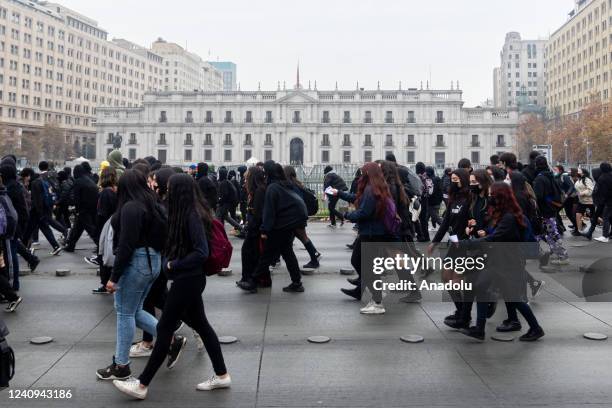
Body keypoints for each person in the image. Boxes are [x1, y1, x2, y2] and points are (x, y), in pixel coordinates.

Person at [113, 174, 231, 399]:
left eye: (168, 189)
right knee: (202, 326)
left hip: (188, 279)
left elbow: (201, 252)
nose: (165, 192)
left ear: (179, 192)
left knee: (165, 329)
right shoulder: (190, 212)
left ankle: (141, 384)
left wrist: (173, 264)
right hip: (189, 279)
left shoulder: (191, 215)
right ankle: (222, 374)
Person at [96, 170, 184, 381]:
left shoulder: (130, 207)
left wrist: (113, 277)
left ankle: (121, 364)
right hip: (152, 261)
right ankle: (171, 339)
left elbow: (126, 244)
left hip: (136, 262)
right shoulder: (153, 204)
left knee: (125, 313)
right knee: (133, 310)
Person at [459, 182, 545, 342]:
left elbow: (494, 237)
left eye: (493, 194)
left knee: (514, 298)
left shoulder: (509, 217)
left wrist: (467, 243)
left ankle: (535, 328)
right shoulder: (505, 214)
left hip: (508, 263)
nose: (490, 197)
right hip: (498, 260)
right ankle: (479, 328)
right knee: (481, 287)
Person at [335, 162, 396, 314]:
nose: (360, 175)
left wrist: (347, 215)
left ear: (368, 174)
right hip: (373, 233)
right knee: (364, 265)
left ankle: (378, 302)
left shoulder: (371, 190)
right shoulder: (377, 187)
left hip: (371, 233)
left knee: (362, 264)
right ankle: (377, 294)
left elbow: (364, 212)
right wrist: (341, 194)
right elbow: (358, 200)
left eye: (362, 173)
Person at [252, 161, 307, 293]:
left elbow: (269, 211)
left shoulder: (272, 188)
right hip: (289, 225)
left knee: (266, 256)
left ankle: (252, 281)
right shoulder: (286, 184)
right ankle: (297, 282)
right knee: (288, 254)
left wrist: (265, 229)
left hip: (280, 227)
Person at [428, 169, 471, 328]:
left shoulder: (470, 198)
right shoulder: (454, 198)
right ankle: (461, 311)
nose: (454, 182)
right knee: (446, 278)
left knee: (456, 282)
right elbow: (446, 222)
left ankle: (465, 317)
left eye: (457, 179)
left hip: (466, 245)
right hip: (453, 243)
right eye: (452, 180)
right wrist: (435, 242)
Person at [510, 172, 545, 296]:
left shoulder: (518, 197)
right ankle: (532, 285)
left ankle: (524, 295)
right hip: (527, 234)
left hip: (521, 235)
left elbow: (520, 217)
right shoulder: (526, 194)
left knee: (517, 266)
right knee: (517, 266)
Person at [23, 161, 67, 255]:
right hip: (43, 209)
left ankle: (23, 248)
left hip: (37, 211)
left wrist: (39, 211)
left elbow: (37, 199)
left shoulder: (35, 183)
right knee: (44, 228)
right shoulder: (42, 180)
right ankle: (55, 246)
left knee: (29, 229)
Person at [533, 156, 569, 265]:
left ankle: (563, 256)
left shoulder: (540, 178)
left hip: (544, 211)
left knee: (551, 234)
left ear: (536, 165)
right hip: (551, 208)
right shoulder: (549, 175)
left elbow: (538, 195)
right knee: (544, 233)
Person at [237, 166, 268, 293]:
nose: (245, 178)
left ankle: (250, 279)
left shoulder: (260, 191)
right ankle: (252, 278)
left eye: (247, 176)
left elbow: (258, 213)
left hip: (255, 229)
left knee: (249, 252)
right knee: (254, 254)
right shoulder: (257, 190)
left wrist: (250, 226)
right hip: (254, 227)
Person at [284, 165, 322, 269]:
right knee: (294, 239)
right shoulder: (297, 184)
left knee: (303, 238)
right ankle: (314, 256)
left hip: (296, 217)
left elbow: (296, 201)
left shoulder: (292, 186)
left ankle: (315, 257)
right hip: (298, 216)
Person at [91, 167, 118, 294]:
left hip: (105, 227)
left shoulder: (105, 192)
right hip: (111, 225)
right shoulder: (114, 190)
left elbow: (102, 213)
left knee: (103, 256)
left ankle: (105, 283)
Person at [64, 164, 99, 252]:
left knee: (90, 229)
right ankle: (71, 245)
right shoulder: (88, 179)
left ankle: (101, 245)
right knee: (78, 227)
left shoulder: (78, 181)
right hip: (93, 206)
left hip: (84, 208)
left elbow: (77, 197)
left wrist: (77, 209)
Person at [216, 167, 242, 232]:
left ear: (221, 174)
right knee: (227, 217)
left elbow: (225, 195)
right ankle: (241, 228)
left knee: (218, 218)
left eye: (219, 173)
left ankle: (219, 232)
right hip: (227, 203)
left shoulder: (223, 183)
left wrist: (219, 201)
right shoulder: (226, 181)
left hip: (223, 204)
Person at [591, 162, 612, 243]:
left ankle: (605, 236)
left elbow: (603, 192)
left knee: (606, 217)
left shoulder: (602, 178)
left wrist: (600, 201)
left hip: (608, 201)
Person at [574, 168, 594, 235]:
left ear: (583, 173)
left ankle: (606, 222)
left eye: (579, 171)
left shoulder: (587, 180)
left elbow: (591, 190)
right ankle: (579, 231)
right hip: (581, 202)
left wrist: (582, 193)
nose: (577, 172)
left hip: (589, 202)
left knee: (594, 217)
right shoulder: (578, 180)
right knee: (578, 214)